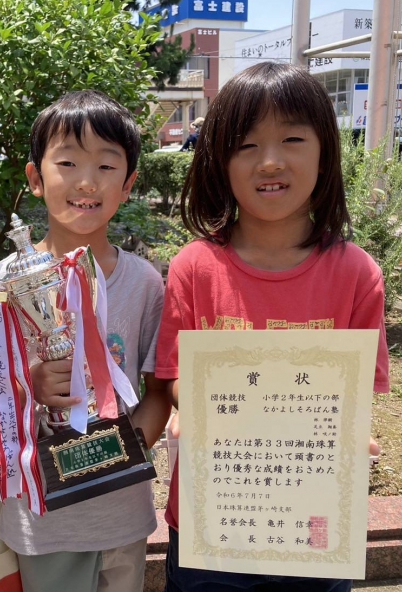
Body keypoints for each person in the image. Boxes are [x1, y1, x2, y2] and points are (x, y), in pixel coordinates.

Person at [155, 61, 390, 592]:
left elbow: (355, 395)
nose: (270, 161)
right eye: (246, 145)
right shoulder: (194, 268)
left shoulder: (356, 274)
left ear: (325, 153)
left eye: (292, 139)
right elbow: (172, 376)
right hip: (213, 515)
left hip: (314, 515)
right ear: (220, 162)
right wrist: (195, 405)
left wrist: (355, 434)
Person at [0, 89, 172, 592]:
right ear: (35, 178)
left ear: (128, 184)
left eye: (106, 166)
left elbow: (158, 391)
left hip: (122, 511)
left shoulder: (144, 283)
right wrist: (31, 384)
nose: (87, 181)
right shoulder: (5, 281)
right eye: (67, 163)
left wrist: (114, 458)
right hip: (44, 518)